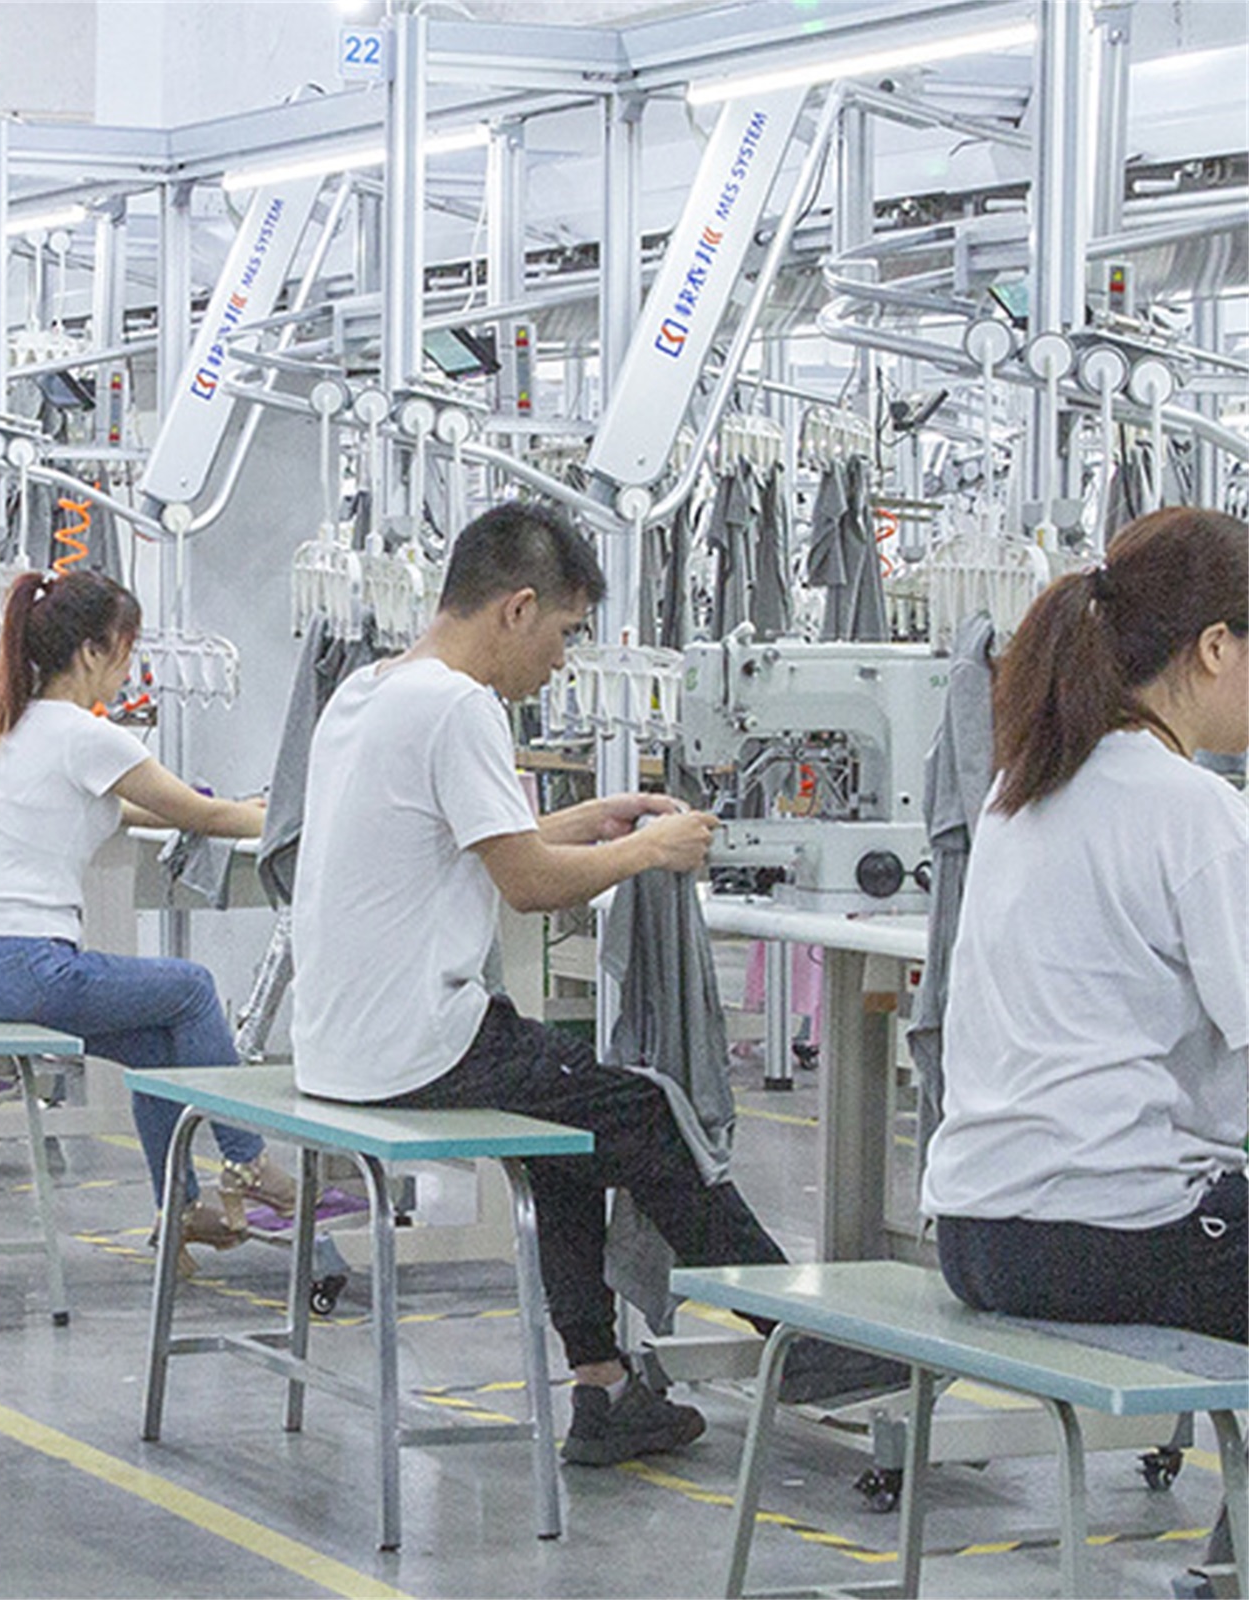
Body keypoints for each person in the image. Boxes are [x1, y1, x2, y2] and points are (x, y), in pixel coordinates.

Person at [291, 500, 899, 1469]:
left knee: (567, 1133)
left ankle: (605, 1388)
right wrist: (652, 849)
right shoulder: (459, 706)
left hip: (337, 1042)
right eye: (567, 632)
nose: (563, 660)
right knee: (646, 1112)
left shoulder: (370, 692)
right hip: (417, 1046)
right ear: (518, 609)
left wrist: (599, 820)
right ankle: (805, 1344)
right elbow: (529, 886)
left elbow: (475, 840)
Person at [922, 507, 1247, 1344]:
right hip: (1112, 1238)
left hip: (975, 1232)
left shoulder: (1024, 786)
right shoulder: (1192, 809)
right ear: (1216, 647)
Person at [0, 570, 296, 1267]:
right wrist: (287, 818)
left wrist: (234, 809)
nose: (130, 671)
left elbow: (122, 803)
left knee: (158, 1048)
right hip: (25, 966)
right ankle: (247, 1162)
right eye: (127, 652)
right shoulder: (87, 735)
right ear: (93, 651)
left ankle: (179, 1211)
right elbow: (201, 815)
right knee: (192, 987)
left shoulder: (19, 726)